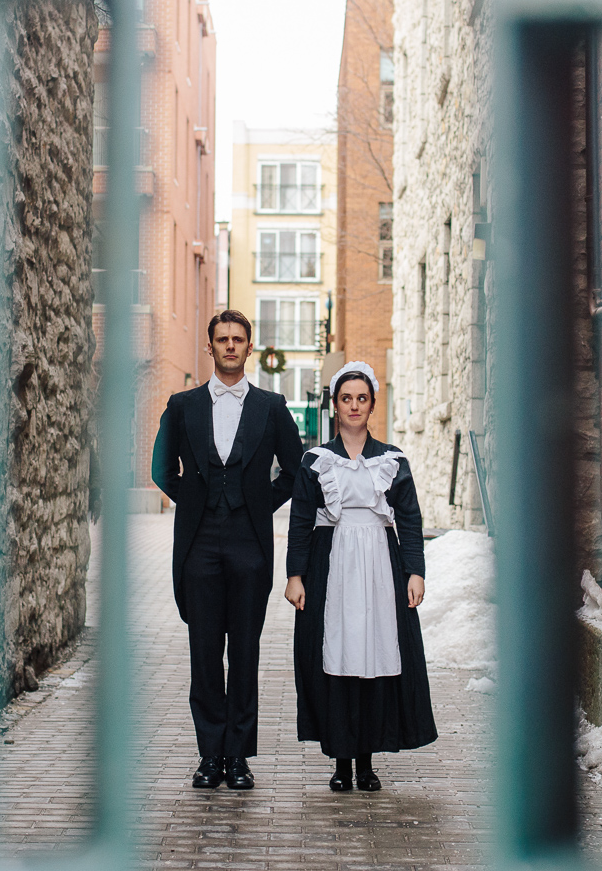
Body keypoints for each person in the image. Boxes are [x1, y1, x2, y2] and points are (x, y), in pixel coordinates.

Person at [151, 310, 304, 790]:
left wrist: (260, 504)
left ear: (249, 348)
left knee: (244, 652)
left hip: (250, 545)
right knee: (203, 653)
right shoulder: (182, 406)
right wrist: (193, 501)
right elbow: (161, 468)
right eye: (223, 339)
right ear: (210, 347)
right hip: (199, 545)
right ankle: (209, 756)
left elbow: (295, 470)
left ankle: (238, 757)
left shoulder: (272, 406)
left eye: (239, 339)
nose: (231, 346)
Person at [284, 361, 437, 791]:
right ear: (335, 405)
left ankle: (367, 762)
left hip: (379, 565)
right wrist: (296, 575)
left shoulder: (391, 459)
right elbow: (299, 520)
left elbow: (409, 520)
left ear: (372, 405)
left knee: (375, 657)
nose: (354, 406)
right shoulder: (316, 460)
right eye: (346, 398)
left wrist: (415, 572)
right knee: (336, 658)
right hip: (330, 561)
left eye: (362, 399)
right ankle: (341, 762)